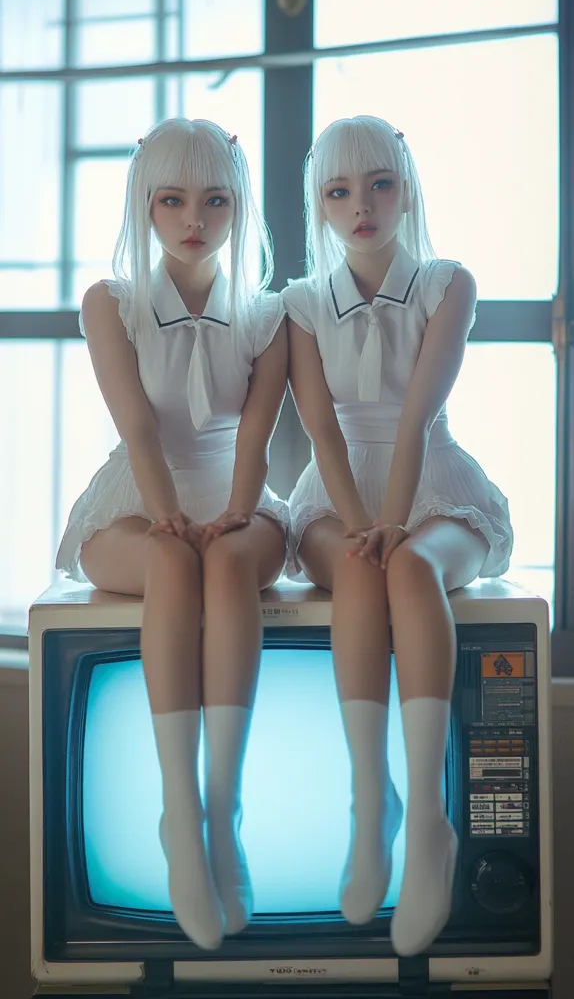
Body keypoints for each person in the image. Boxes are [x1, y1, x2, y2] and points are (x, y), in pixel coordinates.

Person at [56, 118, 289, 950]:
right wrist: (166, 518)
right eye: (173, 200)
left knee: (224, 563)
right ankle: (176, 814)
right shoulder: (108, 305)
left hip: (237, 498)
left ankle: (220, 813)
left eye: (216, 200)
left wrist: (231, 509)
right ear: (145, 208)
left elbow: (257, 444)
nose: (195, 217)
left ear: (238, 207)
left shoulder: (269, 315)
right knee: (171, 559)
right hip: (135, 499)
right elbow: (139, 431)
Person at [283, 115, 513, 956]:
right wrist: (357, 523)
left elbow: (416, 416)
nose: (361, 206)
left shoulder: (449, 284)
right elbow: (323, 435)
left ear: (405, 188)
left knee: (411, 568)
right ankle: (368, 804)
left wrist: (393, 522)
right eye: (339, 191)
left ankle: (430, 826)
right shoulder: (301, 304)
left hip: (436, 481)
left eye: (378, 184)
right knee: (356, 565)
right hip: (337, 493)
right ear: (319, 204)